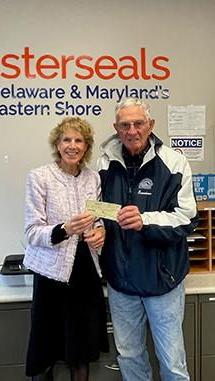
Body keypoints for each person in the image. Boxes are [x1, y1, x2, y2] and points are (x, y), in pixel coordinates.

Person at [97, 97, 198, 381]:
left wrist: (146, 221)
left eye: (138, 123)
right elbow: (101, 208)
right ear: (116, 128)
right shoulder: (105, 162)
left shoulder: (175, 162)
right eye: (125, 125)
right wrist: (96, 226)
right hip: (121, 282)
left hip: (161, 280)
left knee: (172, 362)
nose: (132, 131)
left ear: (150, 125)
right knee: (129, 356)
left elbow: (187, 218)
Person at [23, 117, 109, 381]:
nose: (72, 146)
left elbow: (100, 217)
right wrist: (65, 229)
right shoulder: (39, 177)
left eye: (79, 140)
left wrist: (101, 232)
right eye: (66, 140)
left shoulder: (93, 178)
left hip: (85, 274)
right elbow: (31, 232)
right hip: (51, 276)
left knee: (80, 350)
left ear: (86, 146)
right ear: (57, 145)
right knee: (46, 350)